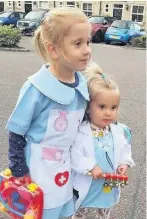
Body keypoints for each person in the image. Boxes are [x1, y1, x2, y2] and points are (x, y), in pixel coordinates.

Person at [6, 7, 91, 219]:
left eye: (88, 42)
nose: (87, 50)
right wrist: (18, 171)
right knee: (43, 211)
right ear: (53, 50)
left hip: (66, 166)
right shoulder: (36, 88)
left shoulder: (82, 84)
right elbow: (17, 132)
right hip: (38, 170)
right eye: (78, 44)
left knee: (63, 209)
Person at [71, 63, 135, 219]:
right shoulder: (80, 132)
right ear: (87, 106)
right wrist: (90, 167)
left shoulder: (118, 131)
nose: (108, 113)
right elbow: (74, 155)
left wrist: (124, 163)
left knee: (105, 209)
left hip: (108, 183)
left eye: (113, 107)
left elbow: (125, 149)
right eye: (102, 106)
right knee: (80, 210)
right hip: (88, 182)